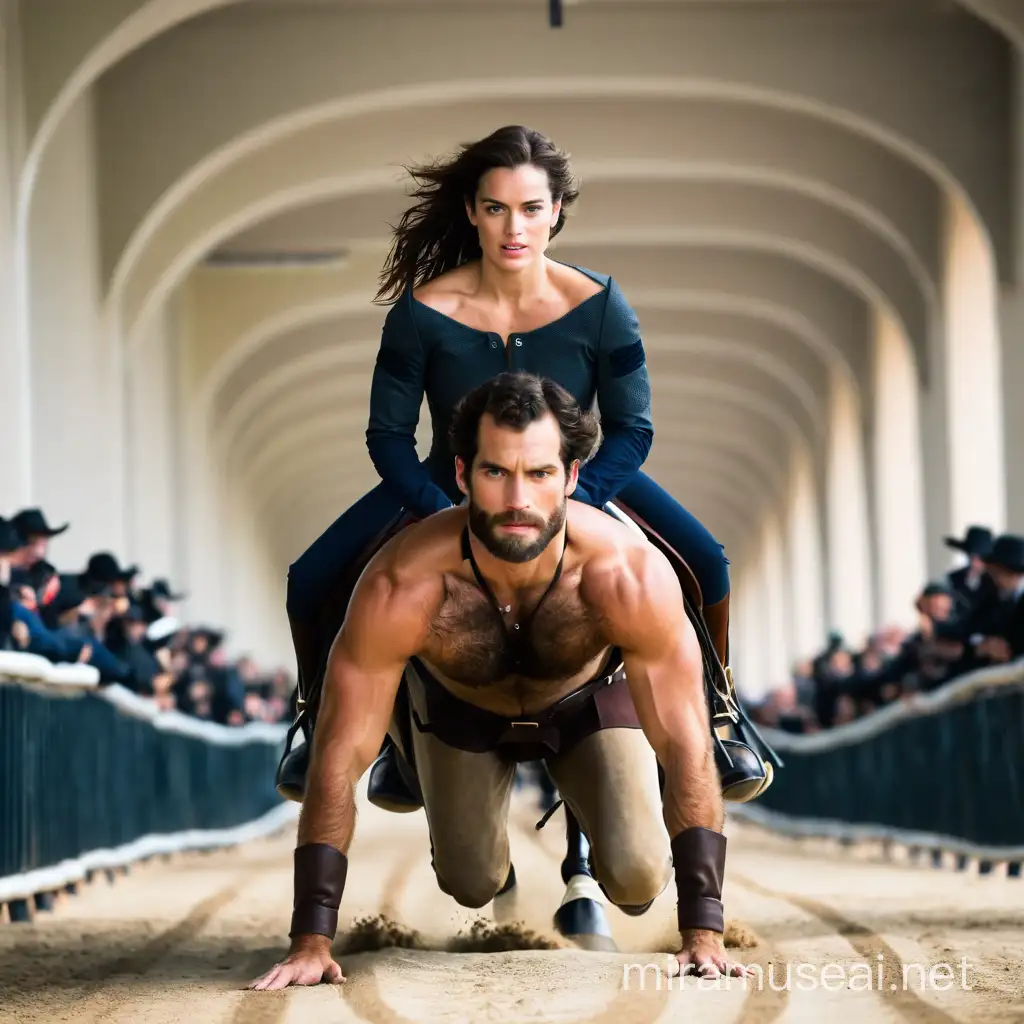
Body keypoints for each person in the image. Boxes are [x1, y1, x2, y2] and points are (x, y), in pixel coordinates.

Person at [281, 124, 765, 804]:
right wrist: (440, 508)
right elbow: (387, 435)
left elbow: (632, 427)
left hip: (577, 482)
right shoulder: (419, 314)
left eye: (532, 208)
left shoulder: (602, 306)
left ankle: (718, 715)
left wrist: (578, 497)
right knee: (310, 580)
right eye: (498, 208)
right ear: (474, 211)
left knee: (707, 562)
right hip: (447, 488)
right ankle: (327, 730)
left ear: (557, 211)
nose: (515, 227)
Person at [251, 373, 748, 991]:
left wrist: (704, 932)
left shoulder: (626, 573)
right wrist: (310, 940)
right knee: (469, 882)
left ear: (570, 478)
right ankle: (407, 744)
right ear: (461, 475)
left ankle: (723, 724)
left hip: (587, 706)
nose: (518, 498)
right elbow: (337, 757)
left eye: (539, 474)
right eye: (496, 473)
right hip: (460, 711)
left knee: (641, 877)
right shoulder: (402, 583)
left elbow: (683, 742)